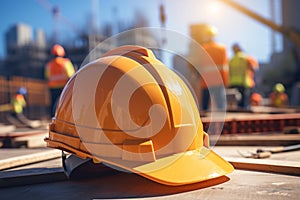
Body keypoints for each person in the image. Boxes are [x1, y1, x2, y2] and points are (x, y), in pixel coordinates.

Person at [197, 24, 229, 111]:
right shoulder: (222, 49)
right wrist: (225, 82)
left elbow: (200, 66)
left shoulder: (203, 49)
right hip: (218, 81)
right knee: (220, 108)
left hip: (206, 82)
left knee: (204, 108)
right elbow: (225, 67)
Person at [45, 44, 75, 116]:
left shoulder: (49, 64)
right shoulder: (66, 63)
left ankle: (53, 118)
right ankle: (65, 117)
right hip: (64, 87)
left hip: (52, 87)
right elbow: (71, 75)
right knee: (65, 104)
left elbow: (47, 76)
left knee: (53, 104)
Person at [228, 43, 259, 109]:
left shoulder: (231, 60)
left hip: (233, 83)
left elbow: (229, 72)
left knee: (237, 102)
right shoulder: (245, 58)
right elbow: (253, 68)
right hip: (243, 82)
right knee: (244, 103)